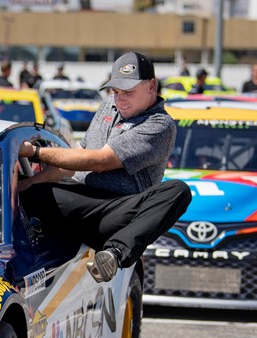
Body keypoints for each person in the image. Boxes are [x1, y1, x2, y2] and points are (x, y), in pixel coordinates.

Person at [16, 51, 192, 282]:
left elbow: (101, 161)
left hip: (118, 212)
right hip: (82, 201)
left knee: (178, 191)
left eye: (128, 92)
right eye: (116, 91)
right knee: (32, 193)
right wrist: (26, 185)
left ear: (151, 86)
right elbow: (77, 159)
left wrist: (35, 152)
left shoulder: (160, 124)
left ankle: (114, 254)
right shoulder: (109, 104)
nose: (120, 99)